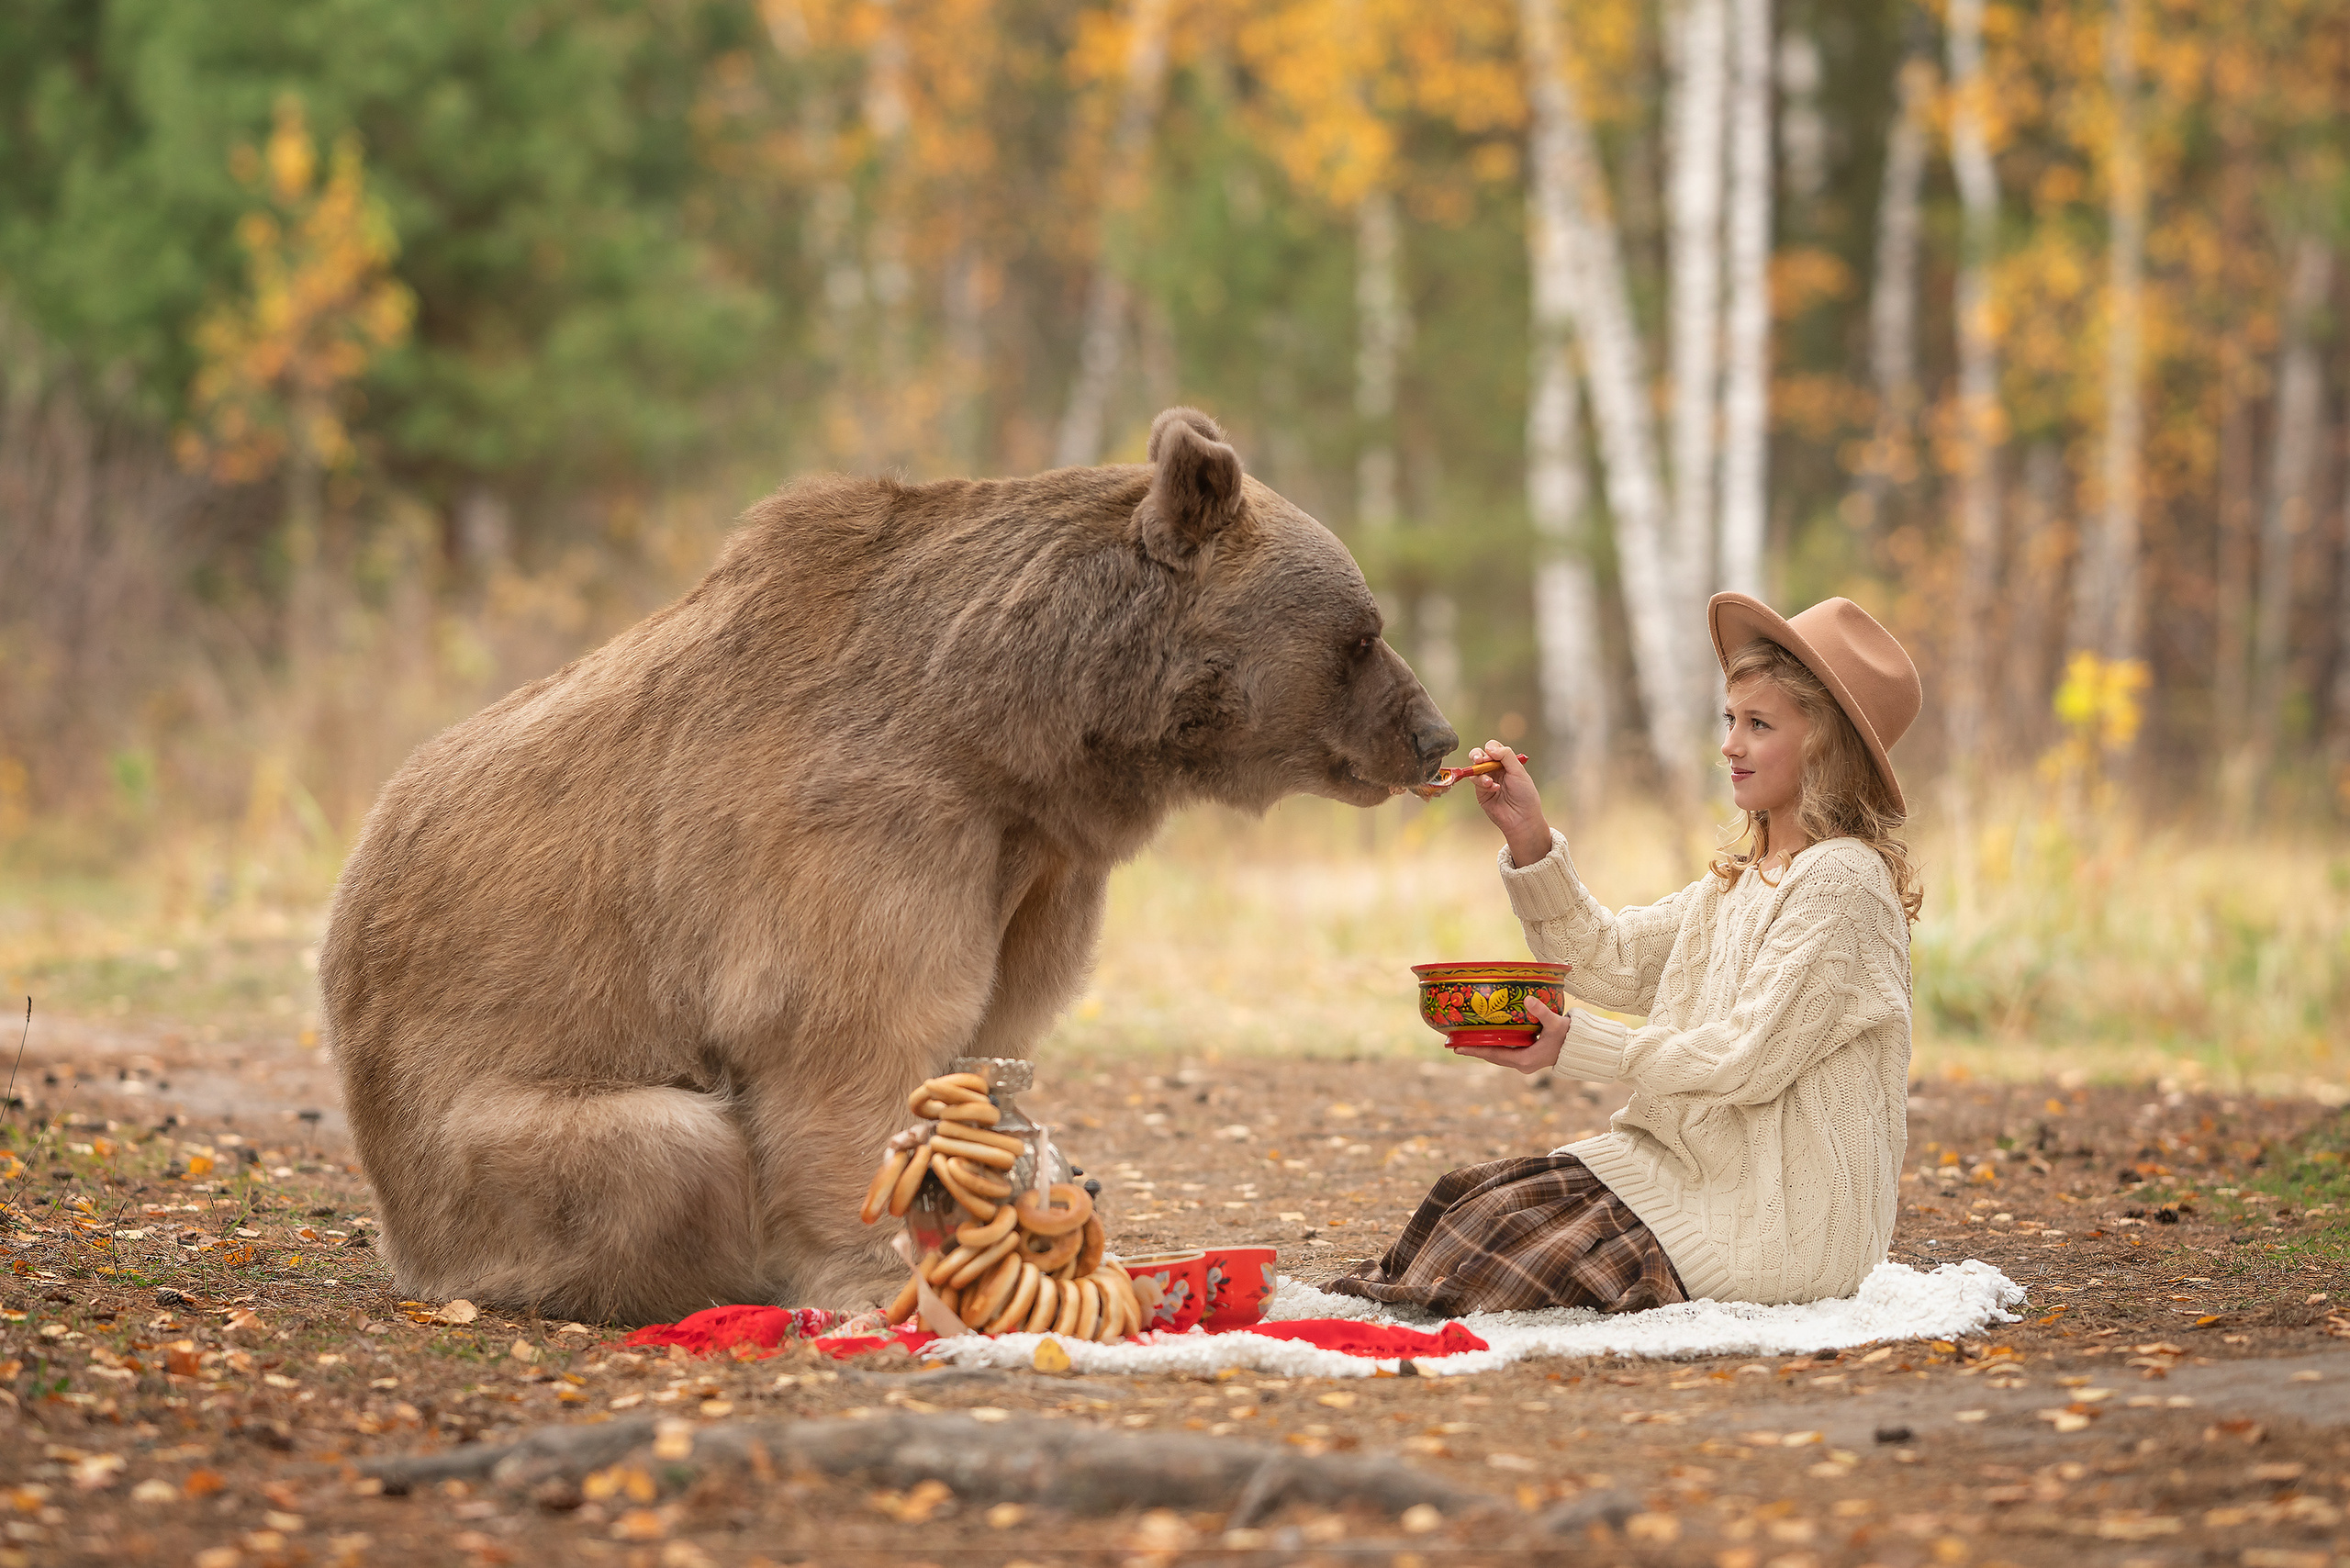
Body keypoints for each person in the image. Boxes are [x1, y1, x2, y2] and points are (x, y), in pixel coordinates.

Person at [1333, 592, 1924, 1313]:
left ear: (1826, 745)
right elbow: (1606, 960)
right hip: (1682, 1171)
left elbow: (1746, 1058)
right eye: (1730, 720)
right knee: (1474, 1206)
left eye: (1759, 725)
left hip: (1777, 1226)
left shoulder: (1842, 883)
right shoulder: (1741, 884)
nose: (1730, 745)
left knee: (1492, 1262)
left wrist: (1577, 1047)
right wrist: (1529, 835)